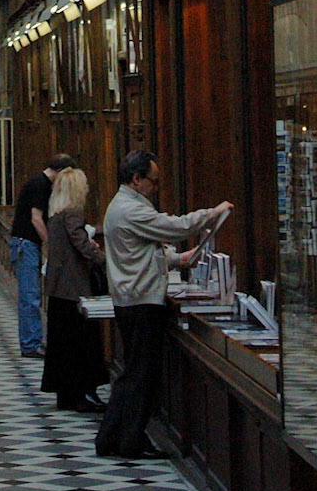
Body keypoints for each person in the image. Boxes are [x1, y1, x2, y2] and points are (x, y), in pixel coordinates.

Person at [95, 151, 231, 460]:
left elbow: (142, 251)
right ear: (136, 179)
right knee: (140, 375)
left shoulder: (123, 207)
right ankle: (124, 439)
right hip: (141, 303)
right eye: (154, 182)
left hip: (133, 299)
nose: (156, 188)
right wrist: (213, 213)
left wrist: (178, 259)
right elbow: (176, 227)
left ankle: (116, 437)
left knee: (136, 373)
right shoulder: (131, 209)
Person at [40, 166, 107, 412]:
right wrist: (103, 258)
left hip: (58, 289)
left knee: (62, 345)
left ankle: (66, 394)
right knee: (81, 344)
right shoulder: (72, 214)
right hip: (73, 290)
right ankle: (82, 394)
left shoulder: (55, 215)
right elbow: (82, 246)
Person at [8, 153, 72, 357]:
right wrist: (51, 245)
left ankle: (33, 341)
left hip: (25, 244)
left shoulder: (39, 182)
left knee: (31, 295)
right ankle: (31, 344)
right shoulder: (40, 185)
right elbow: (36, 218)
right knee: (30, 295)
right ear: (61, 172)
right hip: (25, 244)